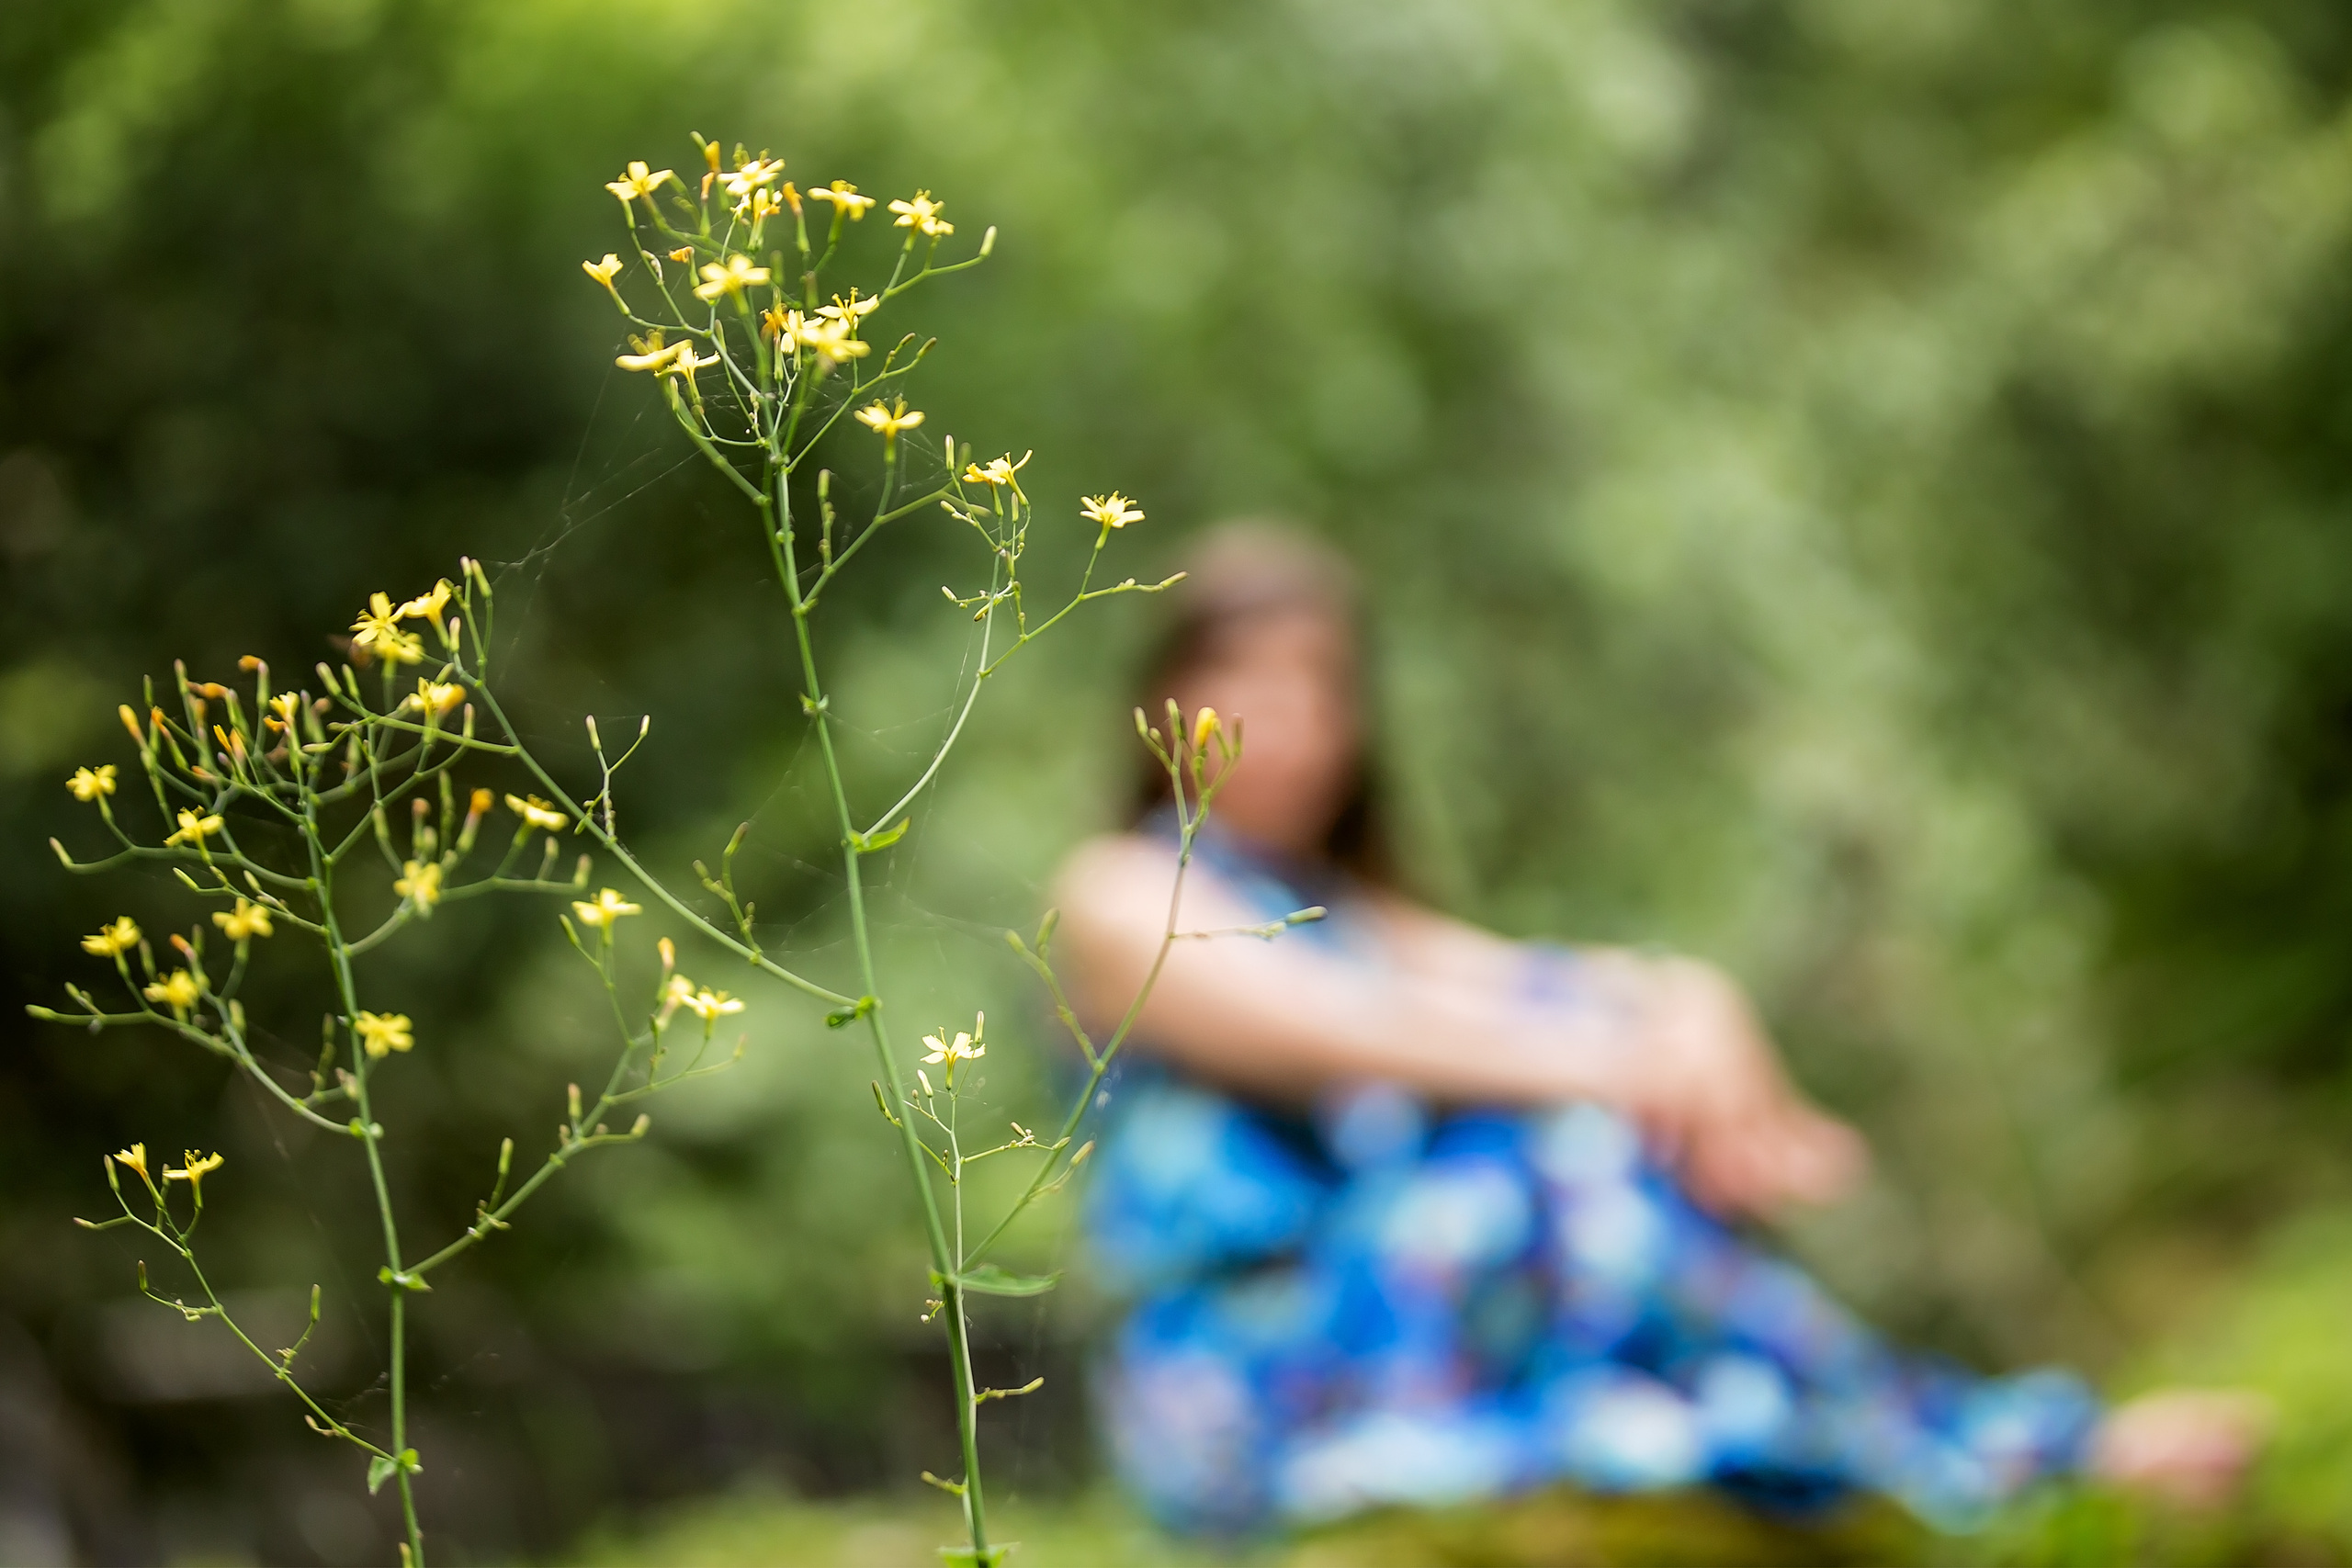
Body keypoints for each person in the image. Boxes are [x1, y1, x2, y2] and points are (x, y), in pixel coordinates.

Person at [1049, 524, 2265, 1535]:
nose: (1301, 721)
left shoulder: (1351, 910)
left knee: (1580, 1164)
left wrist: (1696, 1006)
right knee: (1558, 1161)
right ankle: (2005, 1448)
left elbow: (1549, 984)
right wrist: (1639, 1069)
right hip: (1239, 1387)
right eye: (1255, 677)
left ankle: (1976, 1443)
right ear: (1167, 692)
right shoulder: (1118, 894)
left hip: (1399, 1330)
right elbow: (1356, 1033)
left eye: (1327, 684)